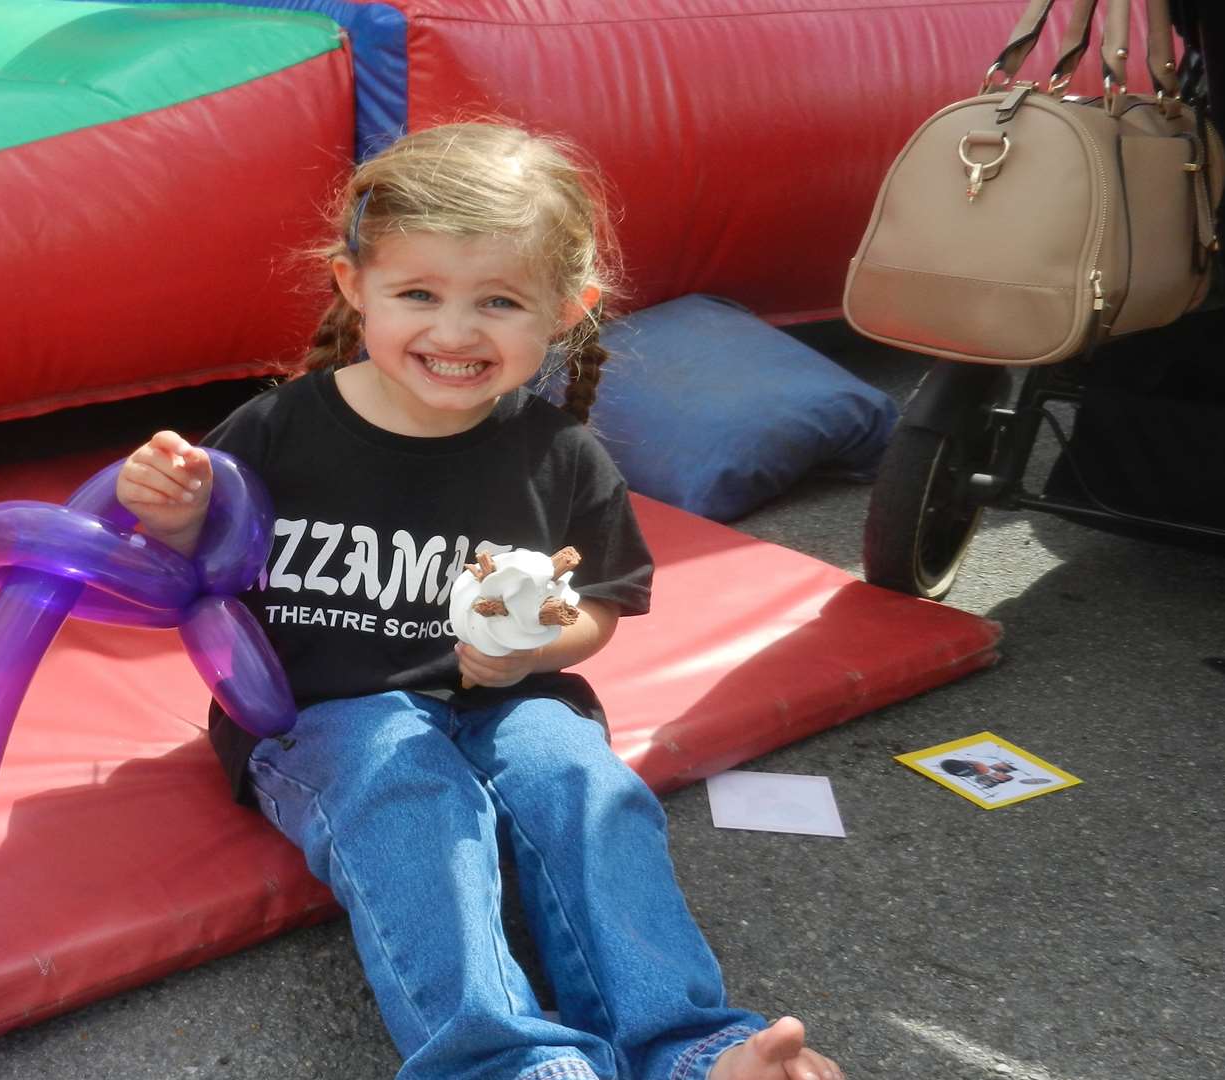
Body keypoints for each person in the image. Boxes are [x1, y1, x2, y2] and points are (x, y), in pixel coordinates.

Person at [116, 122, 843, 1080]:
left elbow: (601, 608)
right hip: (326, 713)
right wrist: (168, 510)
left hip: (512, 701)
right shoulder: (280, 428)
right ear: (353, 287)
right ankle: (504, 1062)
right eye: (418, 294)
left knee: (580, 784)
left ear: (566, 308)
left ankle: (687, 1045)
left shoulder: (560, 454)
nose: (455, 333)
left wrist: (534, 649)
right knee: (405, 789)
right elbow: (191, 566)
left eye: (497, 302)